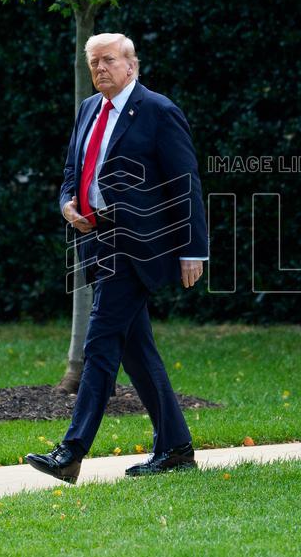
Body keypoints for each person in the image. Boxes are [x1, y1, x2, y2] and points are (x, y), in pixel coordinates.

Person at [24, 33, 209, 484]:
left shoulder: (158, 111)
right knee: (136, 349)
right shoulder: (89, 109)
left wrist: (193, 248)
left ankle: (71, 451)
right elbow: (73, 172)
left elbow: (187, 183)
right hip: (95, 242)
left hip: (138, 246)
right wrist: (68, 204)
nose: (100, 69)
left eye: (108, 61)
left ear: (132, 66)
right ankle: (176, 447)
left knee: (100, 343)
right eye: (93, 63)